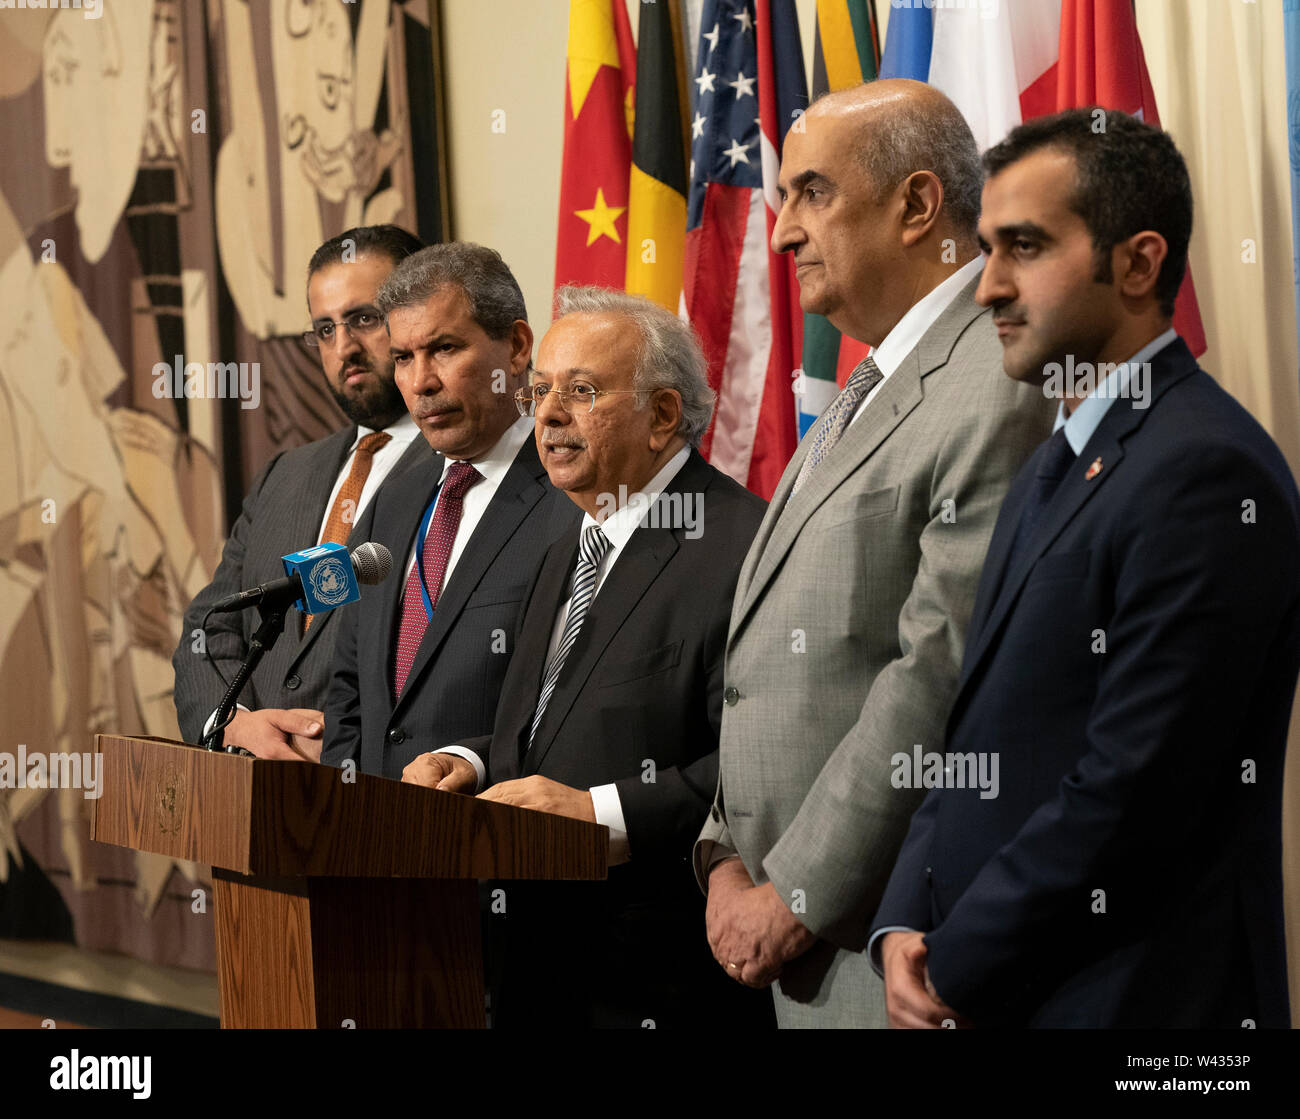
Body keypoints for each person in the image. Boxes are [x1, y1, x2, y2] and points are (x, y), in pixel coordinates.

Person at [869, 108, 1300, 1029]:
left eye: (1024, 246)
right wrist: (907, 912)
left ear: (1139, 263)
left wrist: (956, 956)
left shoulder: (1205, 469)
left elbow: (1134, 789)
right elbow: (975, 730)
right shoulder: (1054, 464)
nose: (987, 286)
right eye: (985, 248)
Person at [694, 80, 1053, 1027]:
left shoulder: (994, 377)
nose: (781, 233)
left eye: (812, 192)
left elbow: (938, 666)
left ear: (919, 205)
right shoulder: (868, 384)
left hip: (891, 940)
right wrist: (722, 854)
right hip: (791, 942)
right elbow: (764, 663)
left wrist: (798, 892)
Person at [410, 287, 772, 1029]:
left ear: (664, 415)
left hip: (654, 971)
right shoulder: (572, 537)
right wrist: (474, 762)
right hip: (535, 963)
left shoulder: (743, 546)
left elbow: (760, 763)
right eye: (540, 390)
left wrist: (596, 814)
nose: (544, 414)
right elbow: (566, 717)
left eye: (581, 391)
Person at [320, 244, 577, 778]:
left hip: (497, 838)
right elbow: (348, 682)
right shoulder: (391, 499)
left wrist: (472, 764)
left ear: (516, 347)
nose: (421, 383)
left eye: (443, 349)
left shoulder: (573, 497)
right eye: (403, 358)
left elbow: (573, 698)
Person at [173, 225, 429, 759]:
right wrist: (234, 724)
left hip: (385, 796)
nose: (345, 348)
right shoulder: (284, 474)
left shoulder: (462, 469)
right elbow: (209, 625)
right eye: (325, 329)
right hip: (256, 796)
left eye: (364, 318)